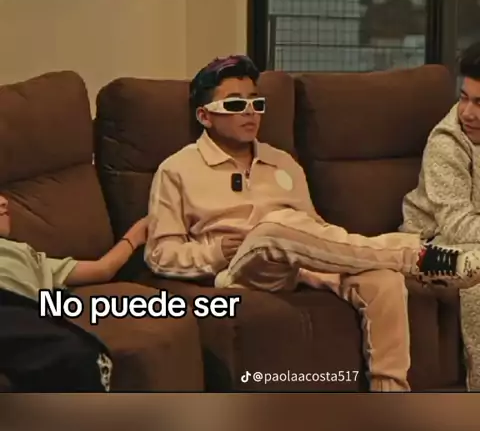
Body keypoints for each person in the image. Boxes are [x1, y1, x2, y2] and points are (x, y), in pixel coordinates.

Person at [144, 55, 480, 393]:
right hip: (240, 270)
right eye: (234, 104)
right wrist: (216, 251)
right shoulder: (177, 170)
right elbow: (160, 254)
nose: (250, 112)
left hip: (303, 263)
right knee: (272, 228)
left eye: (256, 103)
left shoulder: (282, 162)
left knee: (384, 280)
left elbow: (315, 232)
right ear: (205, 116)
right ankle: (420, 256)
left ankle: (390, 394)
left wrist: (325, 257)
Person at [0, 194, 148, 392]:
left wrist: (135, 235)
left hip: (17, 313)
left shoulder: (26, 254)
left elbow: (102, 269)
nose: (4, 201)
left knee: (80, 355)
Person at [401, 42, 480, 390]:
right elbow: (458, 225)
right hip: (429, 249)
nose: (468, 113)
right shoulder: (447, 142)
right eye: (464, 98)